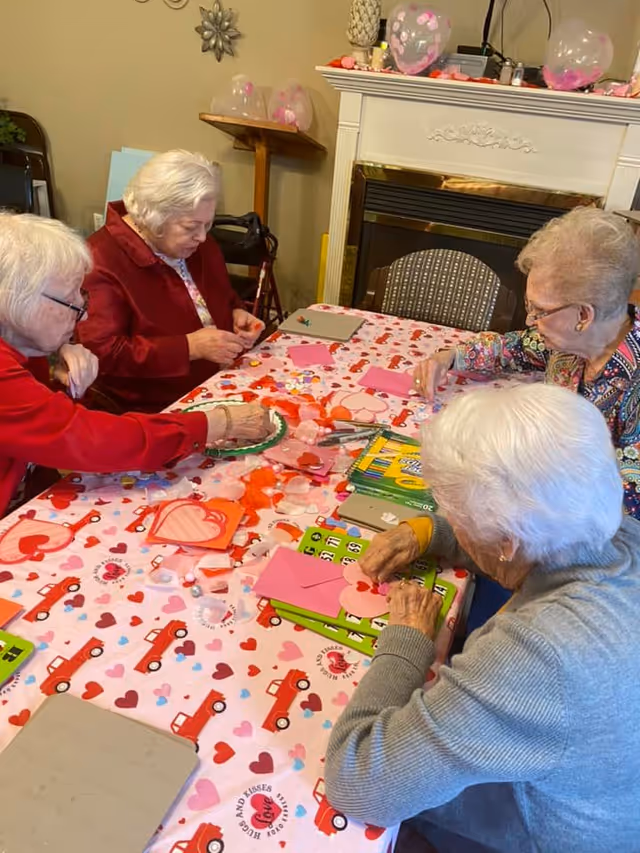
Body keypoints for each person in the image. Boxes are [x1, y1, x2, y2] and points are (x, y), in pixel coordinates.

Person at [325, 383, 640, 853]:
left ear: (507, 541)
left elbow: (357, 783)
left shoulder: (542, 654)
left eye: (457, 516)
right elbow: (532, 528)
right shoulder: (616, 530)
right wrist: (431, 530)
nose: (454, 523)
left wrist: (409, 644)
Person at [0, 212, 271, 517]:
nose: (84, 315)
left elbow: (40, 433)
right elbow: (89, 439)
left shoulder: (19, 338)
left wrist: (61, 373)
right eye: (70, 301)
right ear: (15, 301)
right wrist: (219, 423)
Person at [413, 207, 640, 518]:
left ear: (584, 316)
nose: (531, 321)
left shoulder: (633, 383)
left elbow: (625, 505)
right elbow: (516, 347)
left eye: (540, 311)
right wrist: (451, 357)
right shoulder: (570, 343)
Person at [77, 149, 265, 413]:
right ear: (154, 218)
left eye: (207, 225)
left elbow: (218, 293)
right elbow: (104, 352)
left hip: (218, 381)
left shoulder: (197, 243)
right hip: (153, 407)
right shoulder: (99, 260)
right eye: (191, 227)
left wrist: (235, 312)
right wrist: (190, 347)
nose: (202, 237)